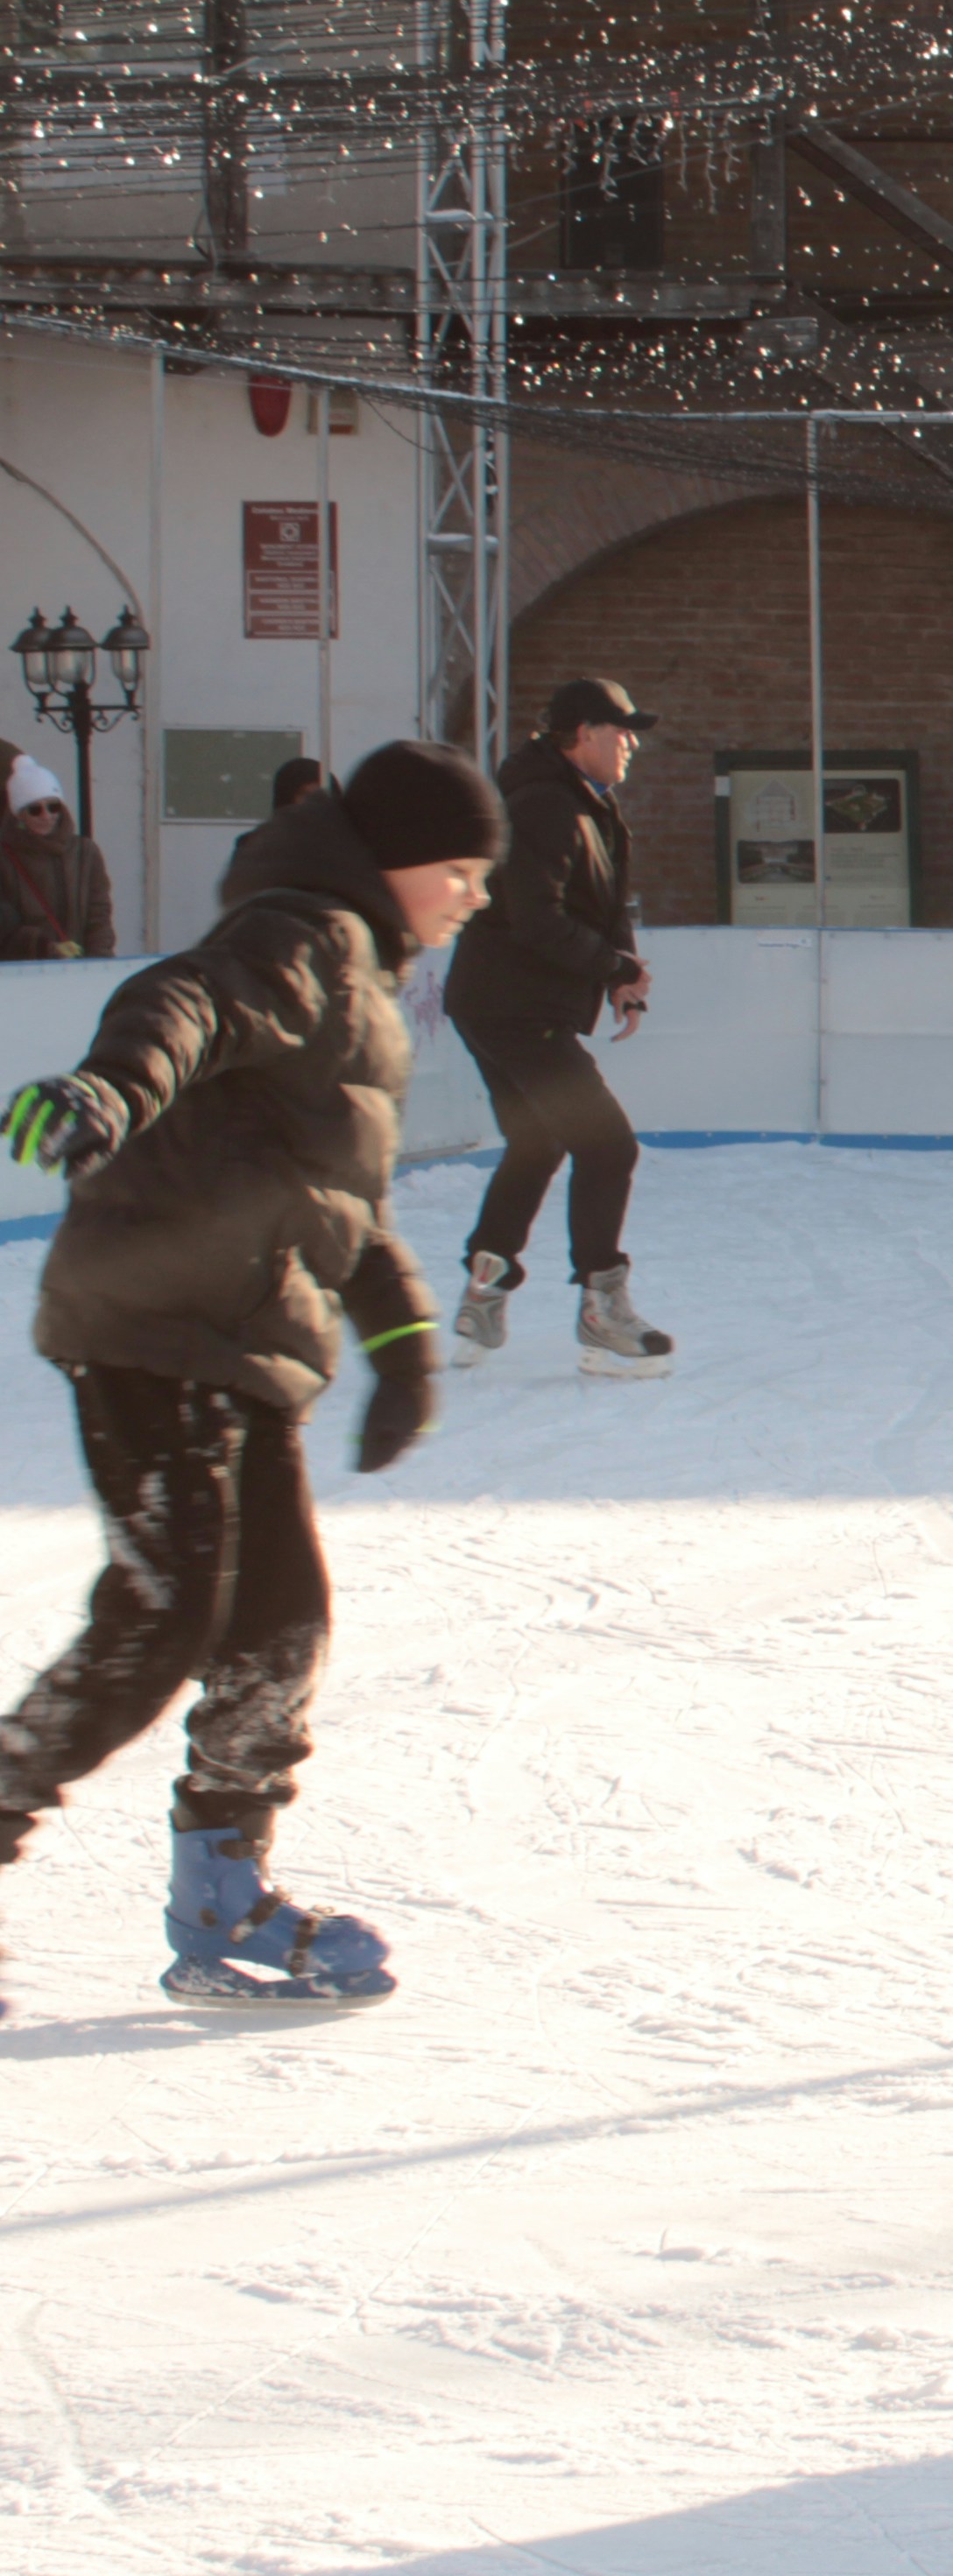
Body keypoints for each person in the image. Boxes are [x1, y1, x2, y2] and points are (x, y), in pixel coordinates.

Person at [0, 742, 506, 2014]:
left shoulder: (360, 974)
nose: (475, 895)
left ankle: (223, 1892)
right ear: (399, 860)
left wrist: (399, 1344)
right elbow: (184, 1006)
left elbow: (336, 1197)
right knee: (165, 1612)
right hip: (154, 1322)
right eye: (461, 869)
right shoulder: (302, 938)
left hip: (241, 1341)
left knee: (280, 1623)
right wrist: (110, 1092)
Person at [444, 678, 670, 1378]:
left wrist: (621, 974)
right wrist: (611, 966)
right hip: (515, 1007)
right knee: (607, 1146)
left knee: (538, 1141)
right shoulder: (546, 805)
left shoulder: (585, 804)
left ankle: (484, 1292)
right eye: (620, 730)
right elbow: (536, 918)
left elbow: (603, 902)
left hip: (500, 1002)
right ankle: (602, 1310)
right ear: (582, 734)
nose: (631, 744)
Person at [0, 754, 118, 961]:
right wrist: (46, 948)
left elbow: (99, 913)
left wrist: (98, 961)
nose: (46, 816)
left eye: (53, 806)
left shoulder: (85, 852)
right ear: (19, 815)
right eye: (35, 809)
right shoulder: (5, 857)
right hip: (23, 969)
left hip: (80, 968)